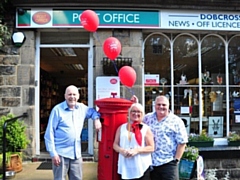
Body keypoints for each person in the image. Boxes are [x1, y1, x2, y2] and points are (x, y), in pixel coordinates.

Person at [44, 85, 101, 180]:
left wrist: (96, 119)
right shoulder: (57, 110)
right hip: (60, 154)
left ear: (78, 96)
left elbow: (94, 112)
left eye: (74, 94)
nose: (72, 97)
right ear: (65, 96)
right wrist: (53, 153)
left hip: (76, 154)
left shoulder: (82, 108)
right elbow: (49, 133)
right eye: (69, 94)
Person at [131, 95, 188, 180]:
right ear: (155, 105)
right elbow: (135, 119)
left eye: (164, 105)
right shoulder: (147, 118)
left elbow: (182, 142)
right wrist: (135, 104)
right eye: (158, 104)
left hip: (168, 163)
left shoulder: (176, 121)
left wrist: (176, 160)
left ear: (168, 106)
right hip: (150, 163)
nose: (161, 107)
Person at [113, 103, 154, 180]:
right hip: (125, 166)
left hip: (141, 166)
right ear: (129, 113)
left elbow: (151, 147)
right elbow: (115, 144)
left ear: (142, 114)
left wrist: (137, 150)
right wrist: (121, 150)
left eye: (139, 112)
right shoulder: (121, 128)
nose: (136, 113)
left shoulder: (146, 129)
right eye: (133, 111)